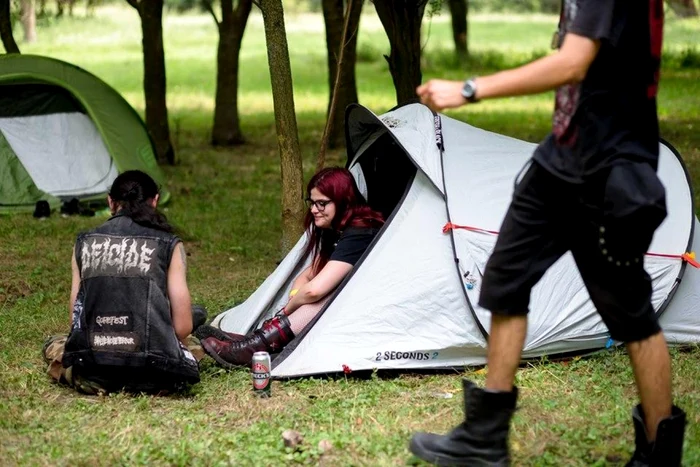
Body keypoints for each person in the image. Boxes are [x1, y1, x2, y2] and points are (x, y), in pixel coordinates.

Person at [409, 1, 686, 466]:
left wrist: (469, 89)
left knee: (632, 315)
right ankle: (483, 440)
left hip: (606, 173)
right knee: (506, 280)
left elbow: (573, 60)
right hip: (559, 164)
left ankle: (659, 457)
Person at [197, 167, 384, 368]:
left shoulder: (361, 231)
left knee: (327, 295)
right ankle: (253, 342)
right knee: (321, 292)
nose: (314, 210)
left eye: (322, 203)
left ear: (343, 200)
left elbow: (314, 290)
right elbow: (308, 275)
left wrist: (288, 308)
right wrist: (297, 293)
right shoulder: (337, 229)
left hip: (373, 311)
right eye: (312, 203)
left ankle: (254, 346)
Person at [42, 170, 200, 395]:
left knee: (56, 343)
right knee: (194, 344)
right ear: (154, 201)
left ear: (110, 202)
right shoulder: (168, 243)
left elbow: (76, 320)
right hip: (156, 379)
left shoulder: (84, 242)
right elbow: (183, 327)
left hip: (93, 373)